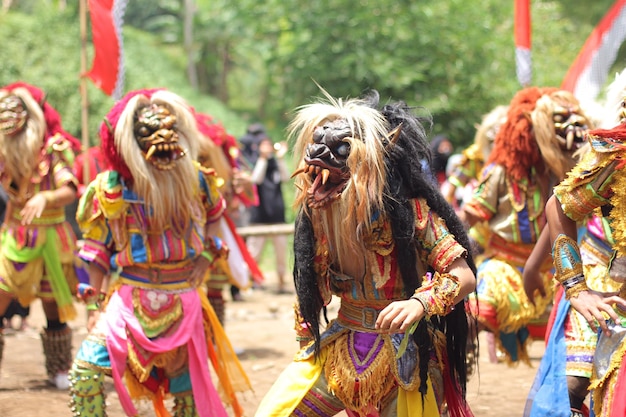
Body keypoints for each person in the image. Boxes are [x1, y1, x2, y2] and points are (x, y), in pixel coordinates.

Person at [255, 90, 477, 417]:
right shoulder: (320, 218)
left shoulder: (412, 213)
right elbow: (310, 293)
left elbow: (464, 276)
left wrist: (419, 303)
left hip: (406, 354)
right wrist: (306, 350)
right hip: (340, 348)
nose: (318, 184)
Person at [68, 89, 252, 417]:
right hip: (129, 299)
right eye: (151, 136)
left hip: (183, 299)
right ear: (132, 144)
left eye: (171, 135)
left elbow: (214, 219)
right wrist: (95, 306)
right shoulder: (112, 187)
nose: (164, 146)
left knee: (190, 394)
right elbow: (97, 250)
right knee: (86, 372)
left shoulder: (196, 179)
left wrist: (205, 257)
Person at [463, 87, 590, 364]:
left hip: (557, 268)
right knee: (475, 312)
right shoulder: (500, 172)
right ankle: (452, 364)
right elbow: (468, 217)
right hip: (504, 267)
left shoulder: (564, 173)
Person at [525, 71, 626, 417]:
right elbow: (559, 207)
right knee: (573, 386)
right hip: (604, 279)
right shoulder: (615, 158)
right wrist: (575, 286)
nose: (570, 130)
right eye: (559, 123)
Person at [0, 82, 83, 389]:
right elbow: (11, 198)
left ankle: (60, 369)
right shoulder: (7, 153)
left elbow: (70, 188)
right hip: (17, 237)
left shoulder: (53, 149)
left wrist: (45, 198)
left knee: (51, 304)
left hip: (51, 237)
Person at [240, 123, 291, 294]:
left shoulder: (276, 163)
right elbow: (256, 179)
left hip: (277, 215)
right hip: (259, 216)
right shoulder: (255, 161)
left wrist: (281, 157)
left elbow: (285, 178)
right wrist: (262, 157)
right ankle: (249, 282)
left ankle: (282, 282)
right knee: (254, 253)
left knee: (281, 253)